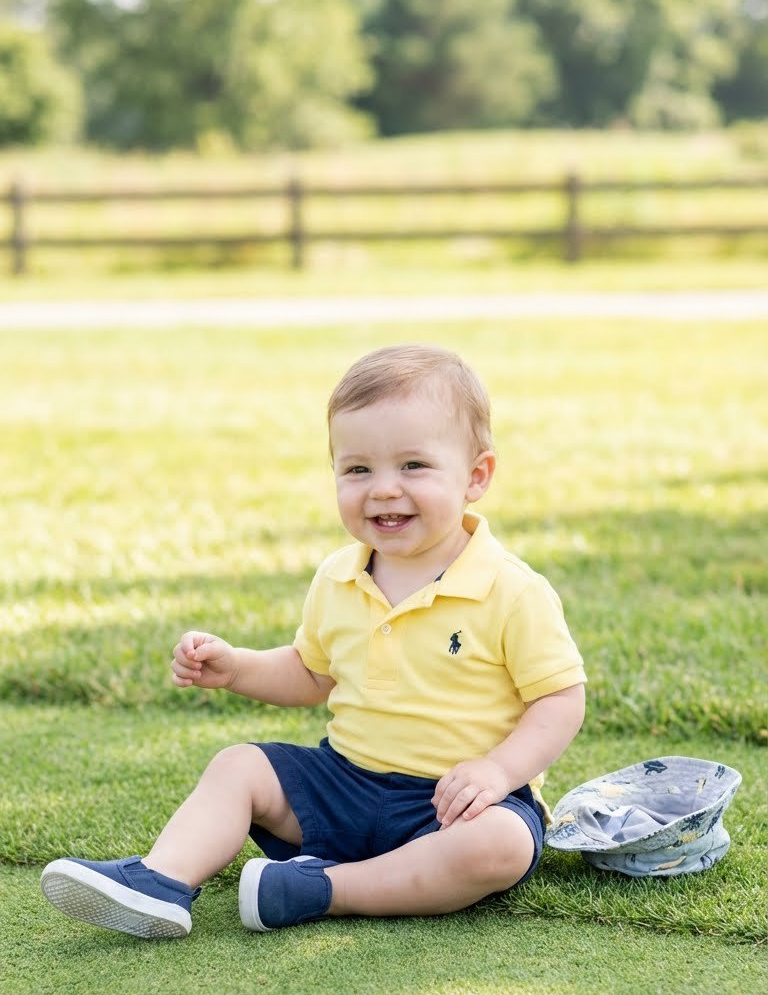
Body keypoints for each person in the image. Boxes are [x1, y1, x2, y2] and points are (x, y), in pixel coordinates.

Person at [41, 343, 586, 940]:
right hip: (344, 784)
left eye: (413, 466)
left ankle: (325, 889)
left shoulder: (510, 590)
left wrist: (498, 771)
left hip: (452, 807)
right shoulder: (339, 577)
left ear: (476, 476)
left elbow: (559, 700)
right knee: (239, 766)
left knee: (501, 846)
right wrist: (236, 669)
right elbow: (309, 674)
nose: (382, 489)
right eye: (358, 470)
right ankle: (162, 881)